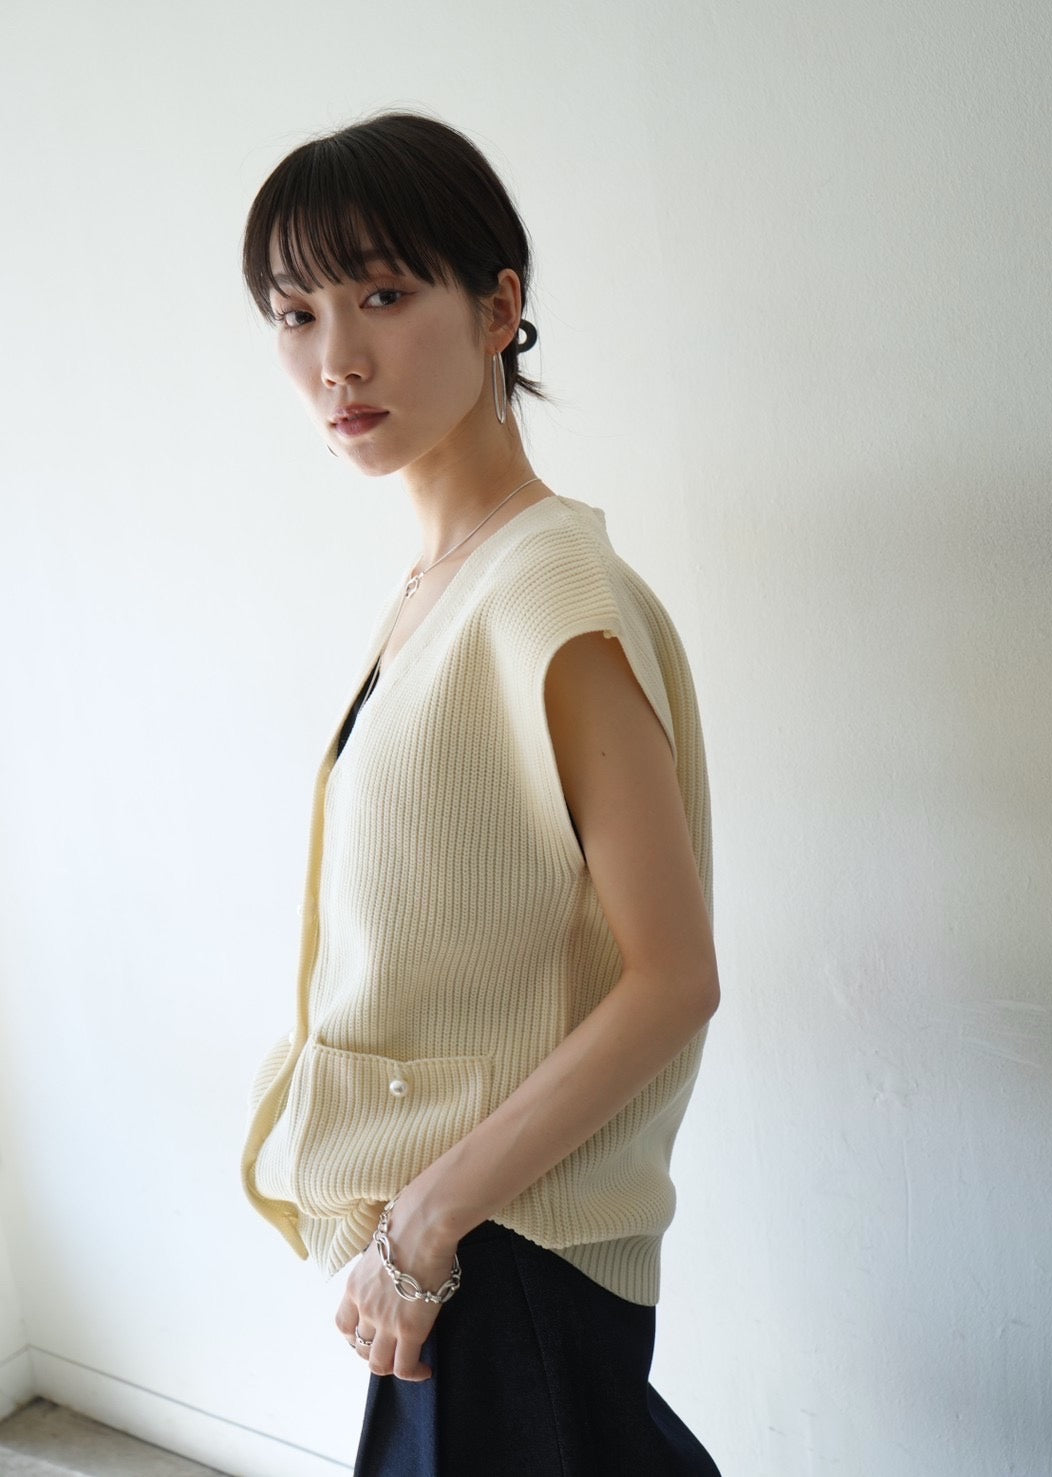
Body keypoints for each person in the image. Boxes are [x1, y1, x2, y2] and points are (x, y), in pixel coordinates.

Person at [238, 111, 722, 1476]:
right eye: (296, 313)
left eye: (384, 295)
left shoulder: (548, 594)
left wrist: (425, 1226)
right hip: (464, 1240)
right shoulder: (445, 586)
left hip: (502, 1246)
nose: (336, 357)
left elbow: (673, 978)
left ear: (500, 307)